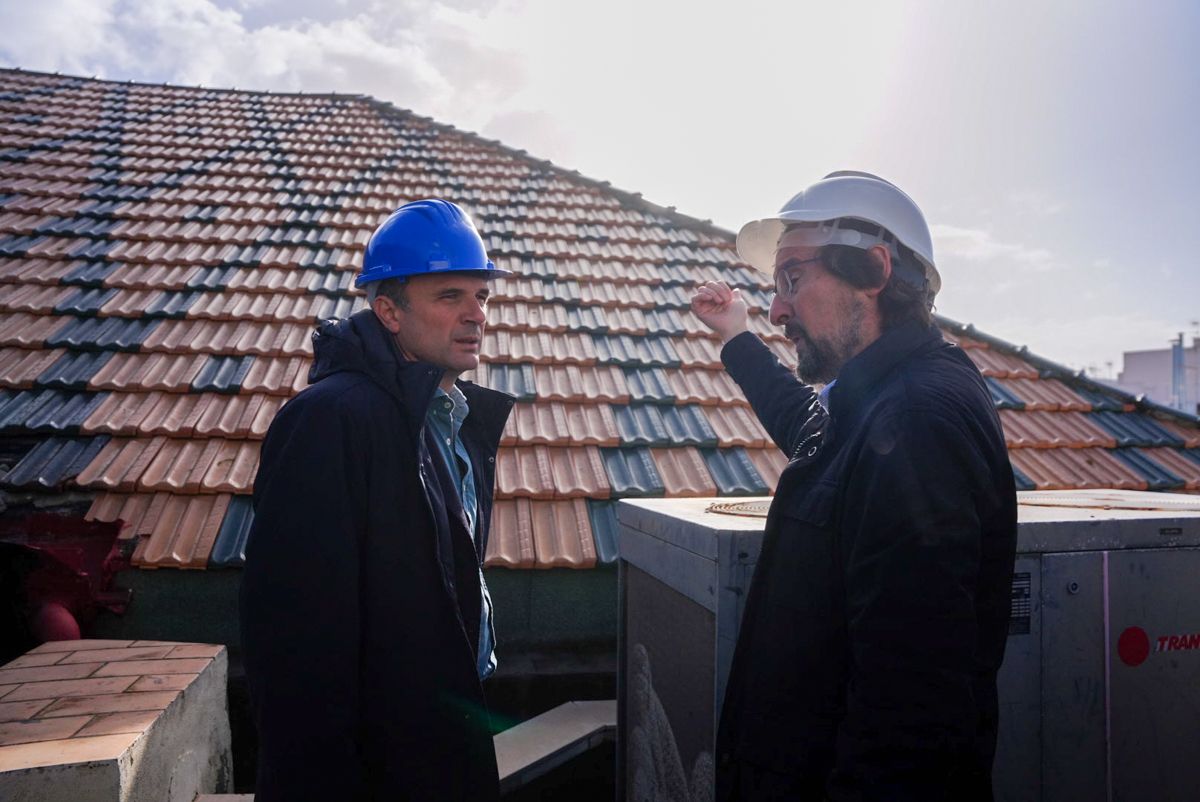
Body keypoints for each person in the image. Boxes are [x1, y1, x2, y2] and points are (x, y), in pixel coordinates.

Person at [692, 172, 1018, 801]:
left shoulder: (916, 423)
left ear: (873, 270)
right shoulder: (881, 403)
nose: (777, 308)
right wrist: (736, 336)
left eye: (792, 279)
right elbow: (811, 431)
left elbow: (909, 721)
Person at [240, 199, 514, 801]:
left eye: (482, 296)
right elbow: (294, 647)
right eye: (450, 297)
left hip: (434, 748)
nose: (476, 315)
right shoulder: (329, 420)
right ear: (387, 310)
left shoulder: (449, 419)